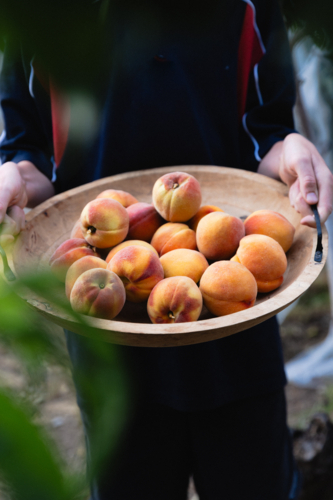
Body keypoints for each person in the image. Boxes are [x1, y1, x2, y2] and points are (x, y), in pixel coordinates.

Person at [1, 0, 333, 499]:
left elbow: (263, 134)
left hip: (237, 320)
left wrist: (291, 150)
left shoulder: (246, 5)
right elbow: (32, 155)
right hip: (111, 332)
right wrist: (13, 178)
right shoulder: (43, 16)